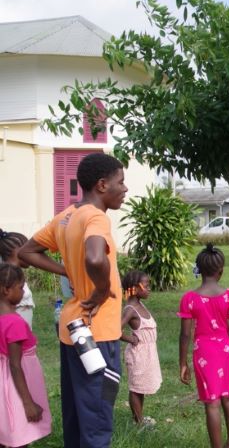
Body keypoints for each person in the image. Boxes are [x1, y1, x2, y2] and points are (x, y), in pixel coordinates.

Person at [17, 151, 127, 448]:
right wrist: (102, 291)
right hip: (97, 332)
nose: (125, 189)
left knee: (78, 409)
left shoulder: (66, 217)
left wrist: (66, 269)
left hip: (72, 328)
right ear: (102, 185)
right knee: (99, 412)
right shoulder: (95, 217)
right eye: (121, 182)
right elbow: (94, 257)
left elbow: (26, 252)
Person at [178, 247, 229, 448]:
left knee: (212, 403)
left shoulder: (190, 299)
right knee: (228, 399)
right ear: (221, 270)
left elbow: (185, 334)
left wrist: (183, 363)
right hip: (226, 351)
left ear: (199, 270)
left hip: (204, 354)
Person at [0, 262, 49, 447]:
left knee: (6, 433)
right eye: (21, 287)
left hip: (4, 385)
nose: (23, 292)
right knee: (20, 435)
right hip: (17, 388)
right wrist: (28, 403)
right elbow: (15, 364)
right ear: (6, 290)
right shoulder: (15, 323)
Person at [120, 268, 161, 428]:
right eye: (147, 285)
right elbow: (115, 330)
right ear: (135, 289)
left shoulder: (139, 304)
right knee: (136, 388)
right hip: (138, 354)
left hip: (148, 354)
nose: (149, 288)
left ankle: (140, 418)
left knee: (141, 387)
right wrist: (131, 339)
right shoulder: (130, 310)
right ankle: (138, 422)